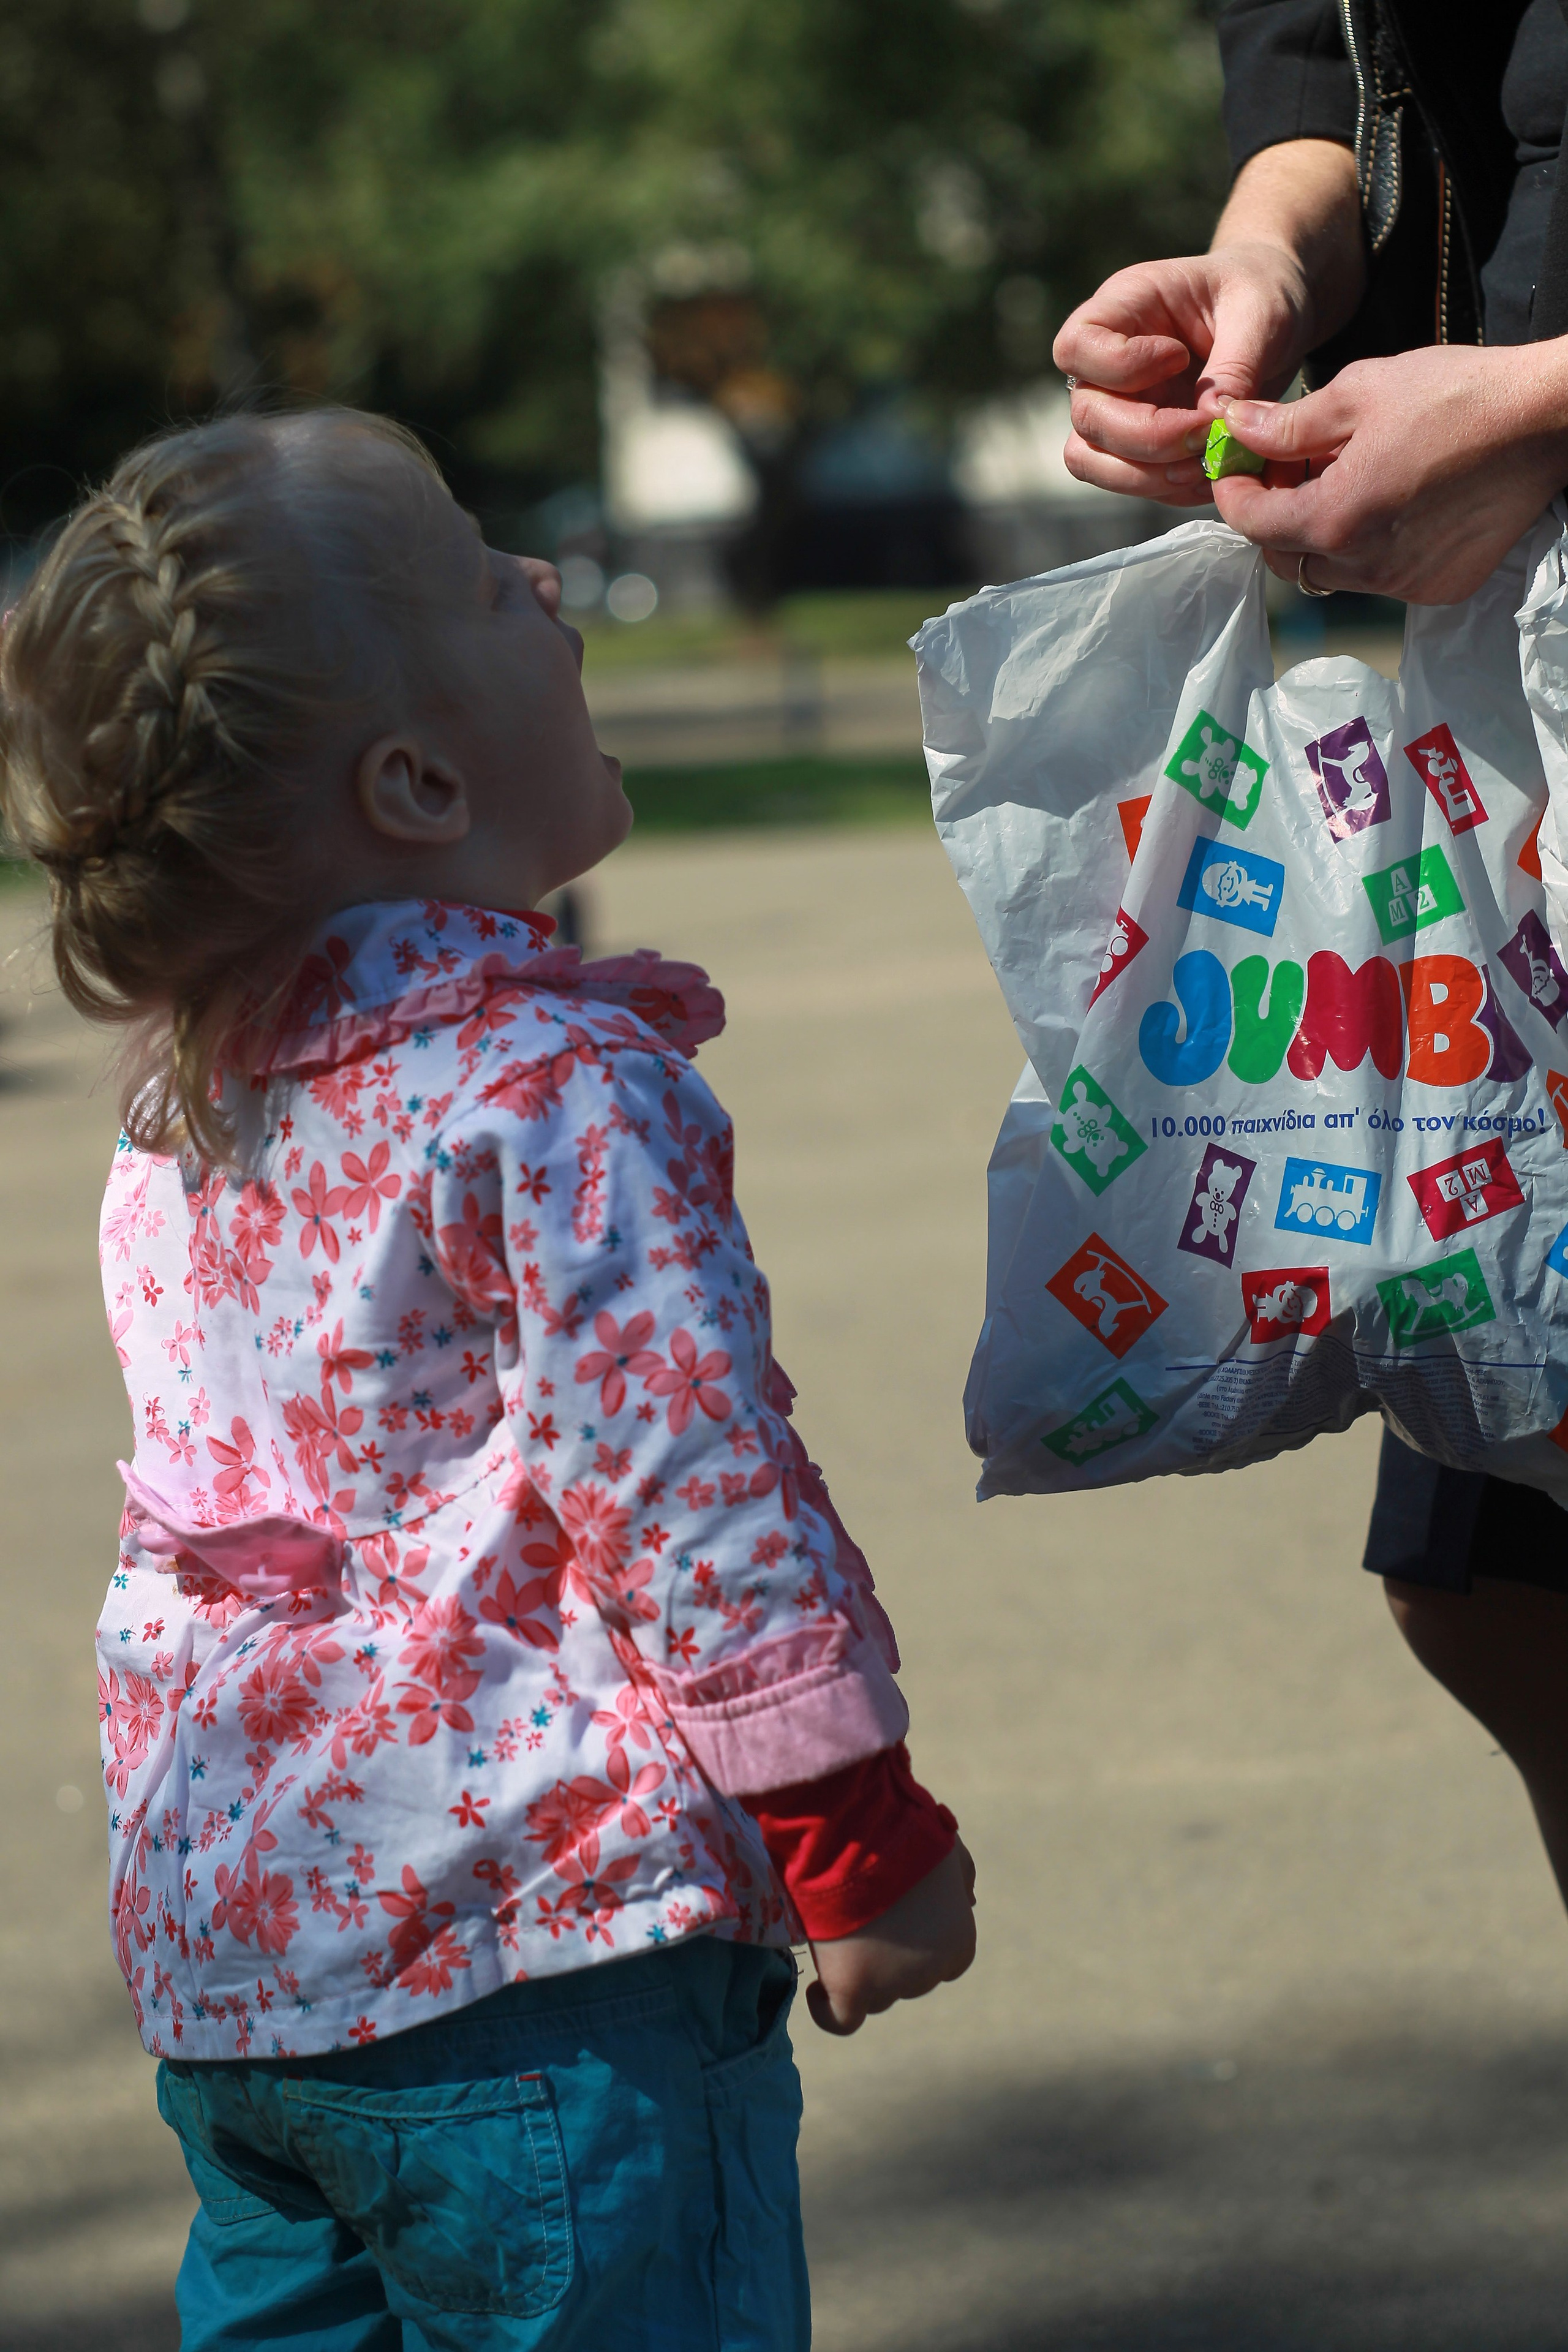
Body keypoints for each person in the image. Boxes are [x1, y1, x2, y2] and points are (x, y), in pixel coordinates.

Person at [0, 407, 976, 2351]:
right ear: (419, 781)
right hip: (545, 1969)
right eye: (478, 571)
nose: (545, 582)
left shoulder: (191, 1102)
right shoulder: (548, 1095)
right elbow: (695, 1501)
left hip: (250, 1991)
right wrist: (857, 1837)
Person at [1053, 0, 1568, 1905]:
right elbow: (1321, 71)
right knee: (1495, 1571)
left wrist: (1531, 408)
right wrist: (1265, 264)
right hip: (1510, 671)